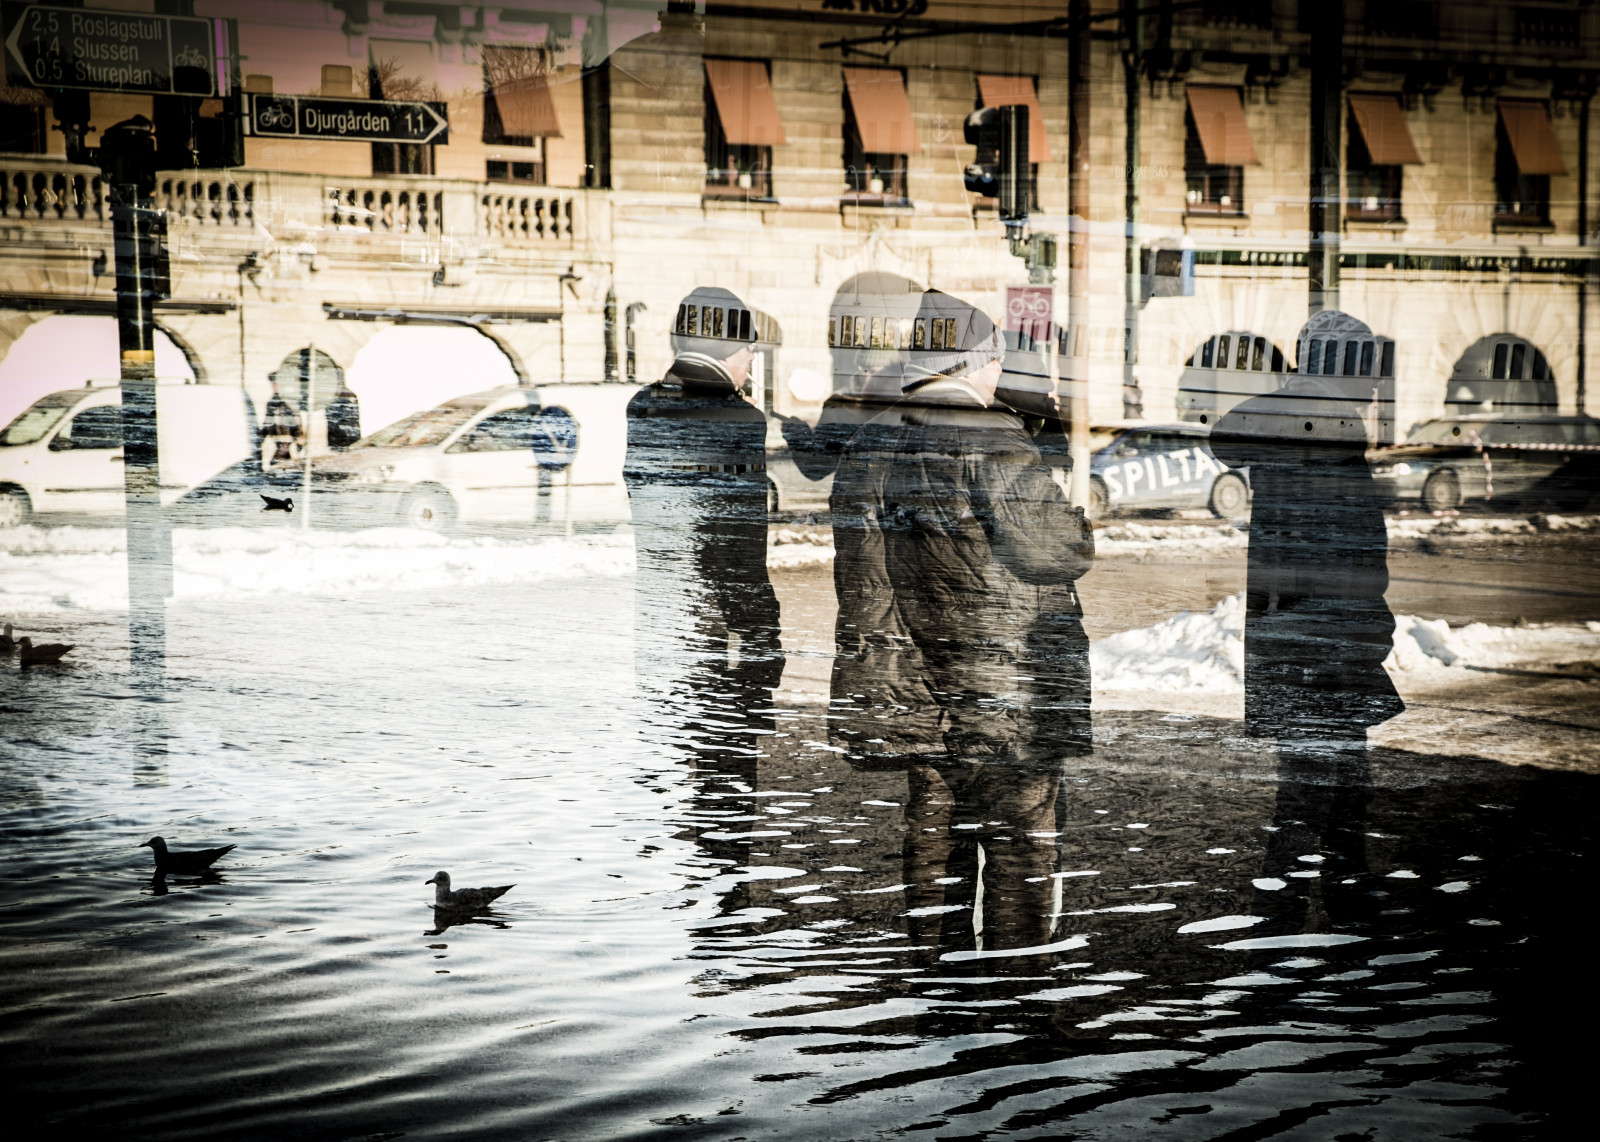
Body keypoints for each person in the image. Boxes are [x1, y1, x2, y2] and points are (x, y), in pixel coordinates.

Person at [831, 288, 1096, 957]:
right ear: (973, 362)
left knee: (934, 855)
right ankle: (1013, 1018)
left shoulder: (871, 445)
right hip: (1006, 702)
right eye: (995, 361)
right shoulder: (991, 436)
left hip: (918, 695)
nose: (999, 375)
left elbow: (861, 577)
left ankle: (940, 1002)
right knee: (1018, 859)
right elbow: (1056, 550)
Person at [1210, 314, 1405, 928]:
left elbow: (1226, 438)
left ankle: (1330, 893)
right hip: (1320, 640)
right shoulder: (1321, 425)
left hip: (1312, 634)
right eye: (1365, 369)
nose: (1376, 386)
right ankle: (1287, 908)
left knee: (1335, 782)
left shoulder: (1308, 423)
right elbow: (1351, 560)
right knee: (1315, 786)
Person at [625, 287, 783, 758]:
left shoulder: (643, 405)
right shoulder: (736, 419)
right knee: (723, 775)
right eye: (749, 348)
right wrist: (762, 642)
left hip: (658, 612)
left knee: (669, 763)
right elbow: (740, 548)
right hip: (714, 625)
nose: (753, 358)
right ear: (728, 350)